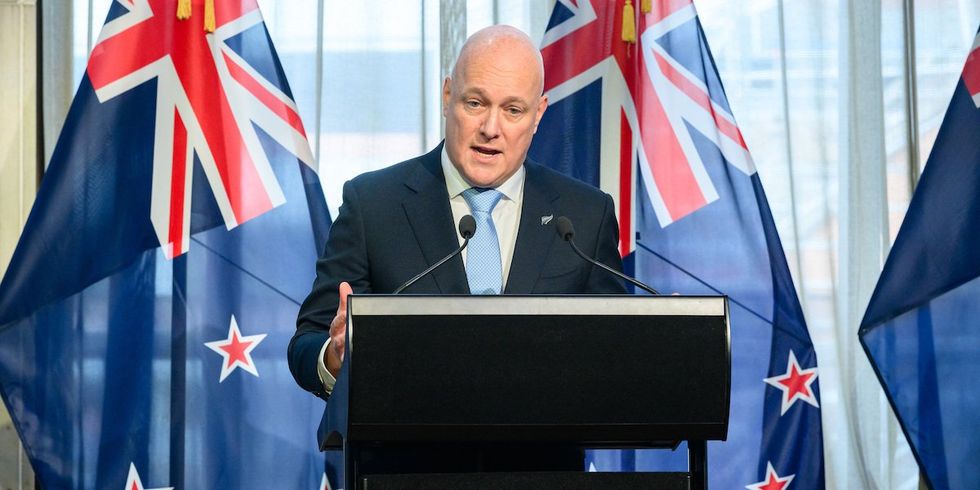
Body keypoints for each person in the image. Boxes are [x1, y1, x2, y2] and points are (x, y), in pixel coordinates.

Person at [288, 24, 627, 474]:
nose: (491, 128)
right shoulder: (374, 204)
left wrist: (666, 343)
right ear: (448, 95)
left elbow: (617, 351)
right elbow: (307, 342)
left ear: (539, 113)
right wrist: (335, 357)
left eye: (513, 109)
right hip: (402, 478)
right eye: (475, 103)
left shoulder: (585, 216)